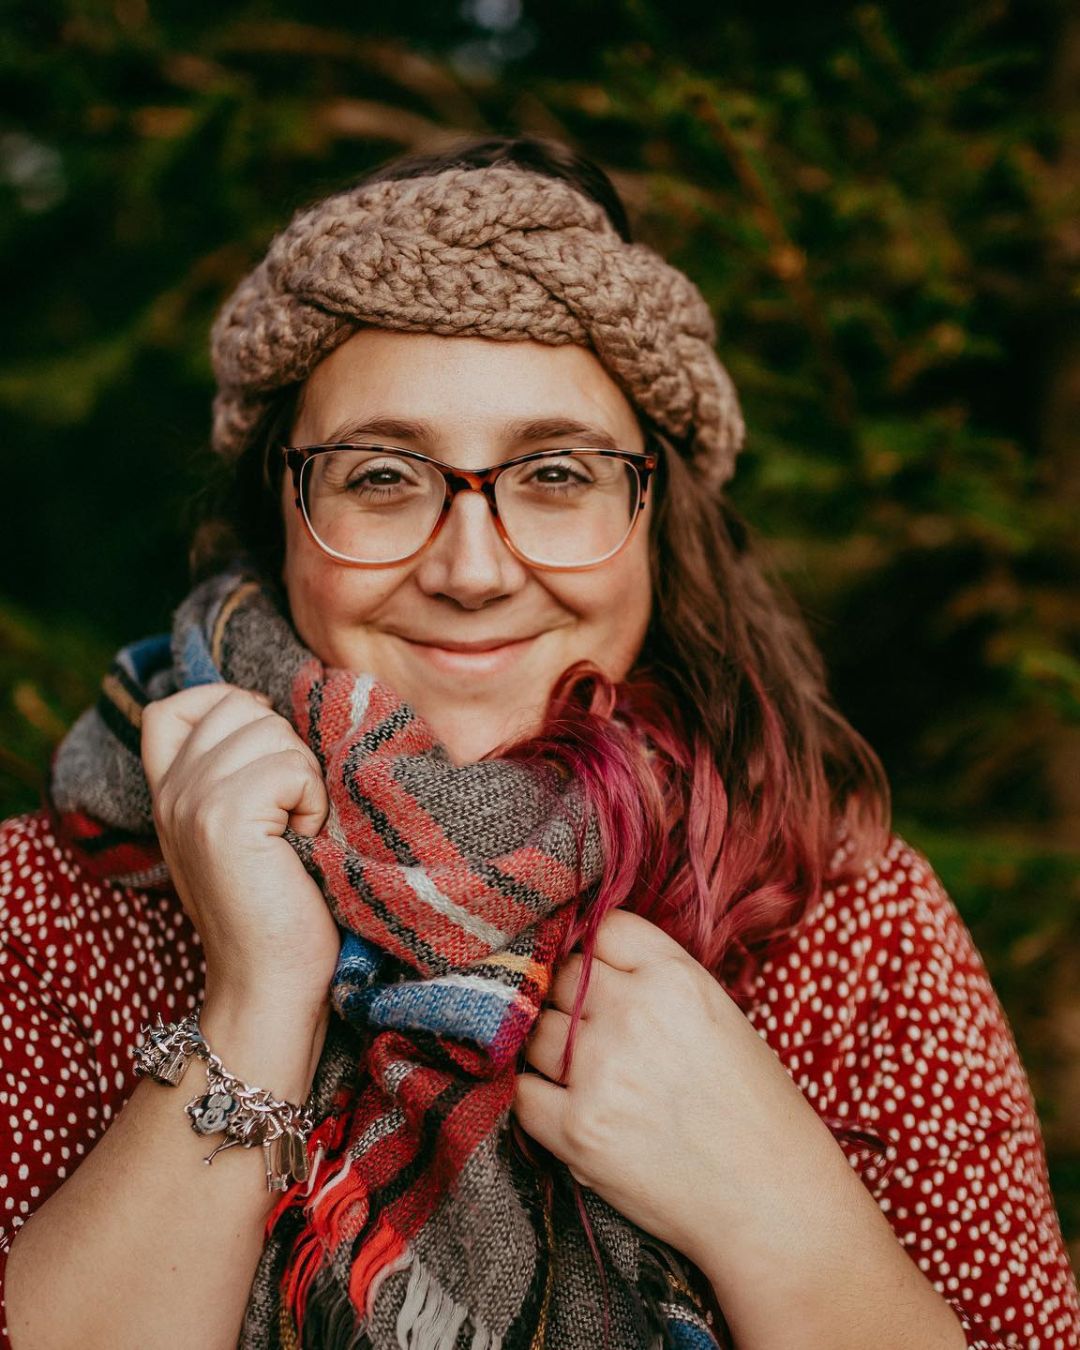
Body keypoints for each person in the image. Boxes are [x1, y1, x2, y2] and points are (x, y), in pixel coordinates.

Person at [0, 136, 1077, 1350]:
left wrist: (782, 1206)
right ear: (278, 513)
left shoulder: (848, 925)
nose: (471, 568)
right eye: (381, 475)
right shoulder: (46, 908)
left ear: (654, 516)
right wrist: (254, 1003)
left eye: (556, 473)